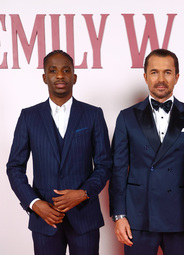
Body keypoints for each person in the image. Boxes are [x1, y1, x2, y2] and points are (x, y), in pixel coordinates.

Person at [6, 50, 112, 255]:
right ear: (45, 77)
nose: (60, 75)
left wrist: (83, 194)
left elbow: (104, 164)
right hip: (44, 218)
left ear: (74, 76)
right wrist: (35, 203)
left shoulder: (93, 114)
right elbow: (14, 168)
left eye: (66, 70)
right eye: (53, 70)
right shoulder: (29, 116)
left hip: (85, 217)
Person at [109, 49, 184, 255]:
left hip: (179, 216)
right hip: (138, 216)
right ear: (145, 76)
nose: (161, 79)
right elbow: (117, 171)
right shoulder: (127, 117)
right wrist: (119, 216)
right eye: (154, 72)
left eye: (167, 72)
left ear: (177, 77)